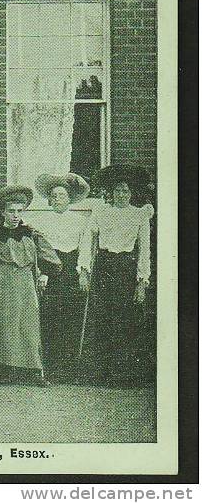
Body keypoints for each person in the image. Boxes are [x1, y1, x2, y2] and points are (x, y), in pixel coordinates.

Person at [0, 185, 60, 387]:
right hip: (1, 286)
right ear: (3, 212)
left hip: (26, 285)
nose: (15, 215)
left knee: (28, 327)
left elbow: (50, 257)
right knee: (3, 326)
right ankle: (4, 371)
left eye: (19, 211)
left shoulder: (31, 234)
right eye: (11, 211)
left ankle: (34, 371)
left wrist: (44, 273)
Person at [77, 164, 153, 387]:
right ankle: (96, 373)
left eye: (126, 191)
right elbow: (87, 242)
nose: (122, 195)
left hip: (126, 268)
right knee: (101, 317)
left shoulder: (139, 215)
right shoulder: (101, 212)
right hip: (104, 265)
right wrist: (84, 271)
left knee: (124, 319)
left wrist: (142, 281)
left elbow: (144, 250)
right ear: (112, 192)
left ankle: (122, 374)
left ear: (132, 194)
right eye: (118, 190)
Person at [30, 172, 91, 382]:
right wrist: (43, 273)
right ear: (49, 199)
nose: (58, 200)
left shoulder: (80, 221)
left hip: (71, 271)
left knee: (71, 318)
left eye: (62, 196)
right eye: (54, 196)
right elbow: (40, 251)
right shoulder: (41, 221)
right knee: (50, 318)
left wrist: (83, 272)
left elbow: (85, 249)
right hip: (52, 272)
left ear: (70, 199)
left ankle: (70, 369)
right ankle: (51, 368)